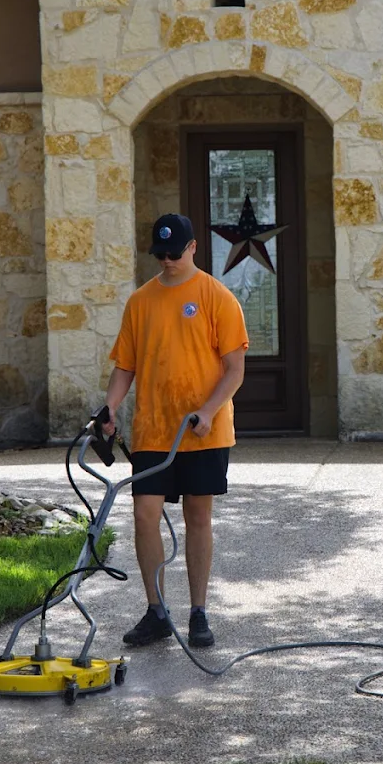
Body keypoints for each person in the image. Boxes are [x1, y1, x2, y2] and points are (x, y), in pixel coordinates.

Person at [102, 212, 248, 649]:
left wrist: (207, 410)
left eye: (174, 252)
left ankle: (199, 612)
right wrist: (109, 407)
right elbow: (124, 366)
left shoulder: (216, 297)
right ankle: (156, 611)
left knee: (197, 517)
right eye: (160, 254)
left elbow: (234, 370)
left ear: (193, 248)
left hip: (203, 431)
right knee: (144, 515)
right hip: (153, 428)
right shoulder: (140, 301)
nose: (167, 261)